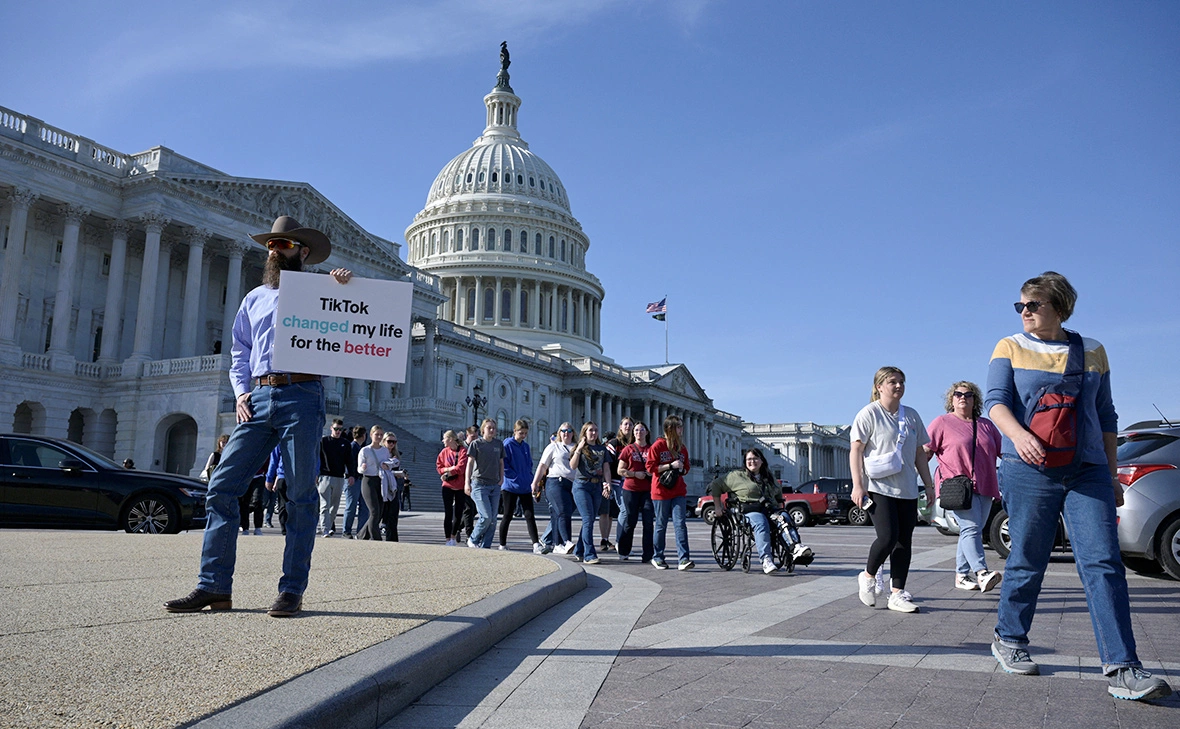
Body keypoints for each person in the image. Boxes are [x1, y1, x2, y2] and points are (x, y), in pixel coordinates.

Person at [985, 272, 1171, 701]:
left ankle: (1123, 667)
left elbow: (1106, 415)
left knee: (1104, 563)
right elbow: (995, 401)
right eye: (1021, 305)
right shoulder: (1009, 346)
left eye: (1034, 304)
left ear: (1060, 307)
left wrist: (1111, 474)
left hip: (1087, 469)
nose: (1025, 312)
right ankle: (1009, 638)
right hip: (1028, 468)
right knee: (1029, 558)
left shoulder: (1093, 351)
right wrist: (1019, 436)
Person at [164, 215, 350, 618]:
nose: (274, 250)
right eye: (270, 244)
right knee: (221, 486)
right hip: (260, 396)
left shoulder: (326, 292)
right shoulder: (254, 297)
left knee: (300, 495)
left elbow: (351, 326)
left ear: (302, 252)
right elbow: (239, 350)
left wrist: (344, 288)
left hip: (302, 394)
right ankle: (214, 585)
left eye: (283, 244)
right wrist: (241, 392)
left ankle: (291, 589)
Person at [849, 367, 934, 614]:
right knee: (887, 537)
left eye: (901, 382)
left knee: (903, 542)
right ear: (879, 386)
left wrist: (928, 485)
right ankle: (868, 576)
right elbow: (856, 451)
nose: (898, 386)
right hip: (878, 487)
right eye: (892, 382)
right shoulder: (869, 414)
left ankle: (897, 593)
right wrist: (858, 485)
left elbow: (920, 454)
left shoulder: (912, 415)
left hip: (907, 488)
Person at [924, 381, 1003, 592]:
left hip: (985, 484)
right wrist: (923, 482)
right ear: (951, 399)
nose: (963, 398)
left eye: (968, 395)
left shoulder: (986, 425)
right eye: (958, 394)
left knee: (972, 531)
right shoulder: (942, 422)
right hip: (956, 486)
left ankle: (961, 575)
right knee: (971, 528)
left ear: (974, 400)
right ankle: (982, 572)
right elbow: (926, 451)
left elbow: (1003, 451)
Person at [710, 448, 814, 574]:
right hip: (749, 510)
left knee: (785, 517)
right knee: (761, 522)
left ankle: (795, 547)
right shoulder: (736, 476)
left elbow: (778, 494)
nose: (752, 461)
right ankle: (766, 559)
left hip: (769, 509)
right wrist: (718, 506)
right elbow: (715, 485)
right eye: (749, 459)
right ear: (745, 462)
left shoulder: (769, 477)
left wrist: (779, 508)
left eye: (755, 458)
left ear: (762, 461)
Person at [647, 415, 693, 571]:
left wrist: (682, 469)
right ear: (669, 428)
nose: (681, 429)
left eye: (681, 426)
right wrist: (670, 466)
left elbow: (687, 468)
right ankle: (658, 557)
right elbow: (650, 468)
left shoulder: (682, 448)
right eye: (678, 426)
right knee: (661, 525)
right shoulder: (658, 446)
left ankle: (684, 559)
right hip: (661, 491)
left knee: (680, 524)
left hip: (678, 490)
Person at [568, 421, 609, 564]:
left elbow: (606, 468)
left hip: (596, 486)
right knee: (587, 519)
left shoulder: (602, 449)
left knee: (590, 520)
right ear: (584, 432)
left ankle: (579, 550)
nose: (594, 433)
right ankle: (589, 554)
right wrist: (579, 449)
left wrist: (607, 483)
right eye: (590, 430)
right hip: (581, 486)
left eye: (596, 430)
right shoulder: (579, 447)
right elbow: (573, 466)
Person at [500, 420, 542, 553]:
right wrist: (515, 477)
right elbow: (504, 464)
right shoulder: (507, 444)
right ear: (515, 431)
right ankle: (502, 544)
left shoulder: (525, 446)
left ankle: (536, 544)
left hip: (525, 485)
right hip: (510, 486)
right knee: (508, 515)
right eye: (521, 433)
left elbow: (529, 464)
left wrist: (531, 479)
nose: (523, 436)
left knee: (529, 515)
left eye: (525, 433)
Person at [615, 421, 654, 563]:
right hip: (631, 489)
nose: (639, 432)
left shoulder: (652, 449)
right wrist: (635, 474)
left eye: (642, 429)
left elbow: (657, 467)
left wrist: (651, 473)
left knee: (648, 523)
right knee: (630, 521)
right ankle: (624, 550)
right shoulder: (629, 449)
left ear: (647, 432)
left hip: (648, 490)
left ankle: (648, 554)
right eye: (636, 430)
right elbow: (620, 470)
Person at [534, 423, 576, 554]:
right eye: (563, 430)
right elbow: (542, 465)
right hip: (556, 482)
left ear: (573, 433)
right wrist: (535, 482)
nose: (566, 433)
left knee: (558, 514)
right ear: (559, 433)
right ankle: (566, 541)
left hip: (573, 484)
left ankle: (556, 544)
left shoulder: (577, 447)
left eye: (569, 430)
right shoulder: (553, 447)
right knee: (563, 511)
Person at [465, 419, 505, 548]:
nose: (492, 430)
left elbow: (501, 463)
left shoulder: (498, 444)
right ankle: (473, 538)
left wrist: (501, 479)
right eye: (489, 428)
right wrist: (467, 482)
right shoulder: (476, 444)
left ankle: (486, 547)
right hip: (479, 484)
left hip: (494, 485)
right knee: (486, 516)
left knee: (493, 520)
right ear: (483, 430)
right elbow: (469, 464)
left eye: (494, 428)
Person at [602, 417, 633, 551]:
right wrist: (606, 482)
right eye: (625, 424)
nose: (628, 427)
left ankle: (621, 541)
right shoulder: (614, 443)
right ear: (620, 426)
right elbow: (606, 464)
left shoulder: (634, 444)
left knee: (627, 512)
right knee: (624, 511)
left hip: (630, 482)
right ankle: (619, 541)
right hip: (616, 482)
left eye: (630, 425)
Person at [318, 418, 352, 537]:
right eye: (336, 429)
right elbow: (317, 458)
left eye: (340, 429)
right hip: (325, 476)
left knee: (334, 506)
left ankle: (328, 525)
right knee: (325, 504)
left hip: (339, 476)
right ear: (331, 428)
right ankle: (325, 529)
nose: (338, 431)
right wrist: (316, 474)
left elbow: (349, 461)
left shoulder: (345, 444)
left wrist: (351, 474)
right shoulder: (323, 441)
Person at [357, 425, 389, 541]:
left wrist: (387, 466)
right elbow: (359, 469)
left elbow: (388, 464)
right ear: (371, 435)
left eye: (381, 435)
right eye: (377, 434)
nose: (379, 437)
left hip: (381, 481)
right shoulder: (365, 450)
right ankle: (376, 538)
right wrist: (363, 468)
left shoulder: (385, 450)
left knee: (379, 512)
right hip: (368, 481)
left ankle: (361, 535)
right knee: (374, 511)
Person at [436, 430, 468, 545]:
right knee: (448, 513)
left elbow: (461, 468)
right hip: (447, 485)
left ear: (450, 439)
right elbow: (439, 467)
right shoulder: (444, 452)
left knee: (458, 514)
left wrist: (448, 472)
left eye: (444, 438)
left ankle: (453, 536)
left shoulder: (463, 451)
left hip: (460, 486)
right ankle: (447, 539)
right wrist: (448, 469)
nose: (442, 441)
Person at [343, 425, 369, 538]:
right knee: (351, 506)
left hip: (360, 479)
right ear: (363, 436)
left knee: (364, 507)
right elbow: (348, 463)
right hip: (353, 479)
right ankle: (346, 531)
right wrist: (350, 475)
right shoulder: (352, 447)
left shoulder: (359, 447)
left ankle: (360, 531)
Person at [378, 433, 404, 541]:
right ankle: (366, 534)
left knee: (393, 514)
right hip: (381, 486)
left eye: (394, 442)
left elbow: (391, 470)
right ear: (384, 441)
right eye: (389, 441)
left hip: (393, 487)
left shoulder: (396, 455)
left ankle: (392, 539)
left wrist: (400, 474)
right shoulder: (380, 454)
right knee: (378, 514)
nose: (392, 444)